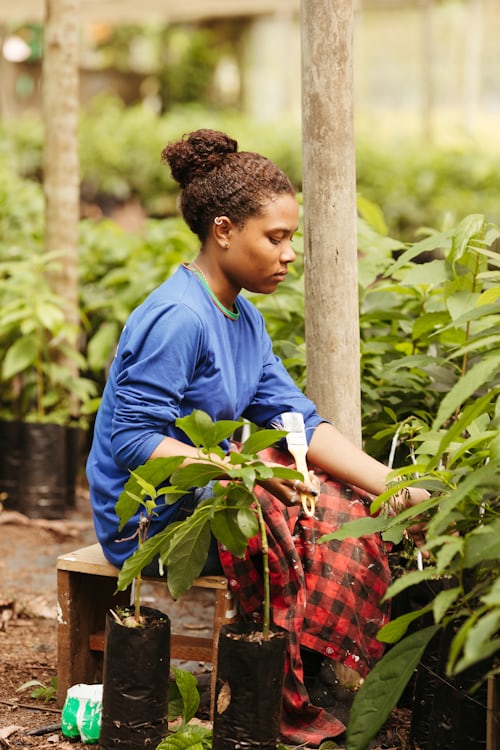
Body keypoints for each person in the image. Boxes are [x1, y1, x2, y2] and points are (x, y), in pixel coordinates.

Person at [87, 128, 428, 745]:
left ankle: (315, 674)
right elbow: (132, 439)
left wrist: (397, 487)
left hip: (208, 495)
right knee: (280, 502)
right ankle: (288, 690)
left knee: (344, 500)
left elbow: (299, 423)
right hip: (150, 521)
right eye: (275, 237)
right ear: (223, 230)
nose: (289, 254)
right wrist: (251, 475)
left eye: (290, 238)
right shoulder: (179, 317)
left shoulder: (243, 319)